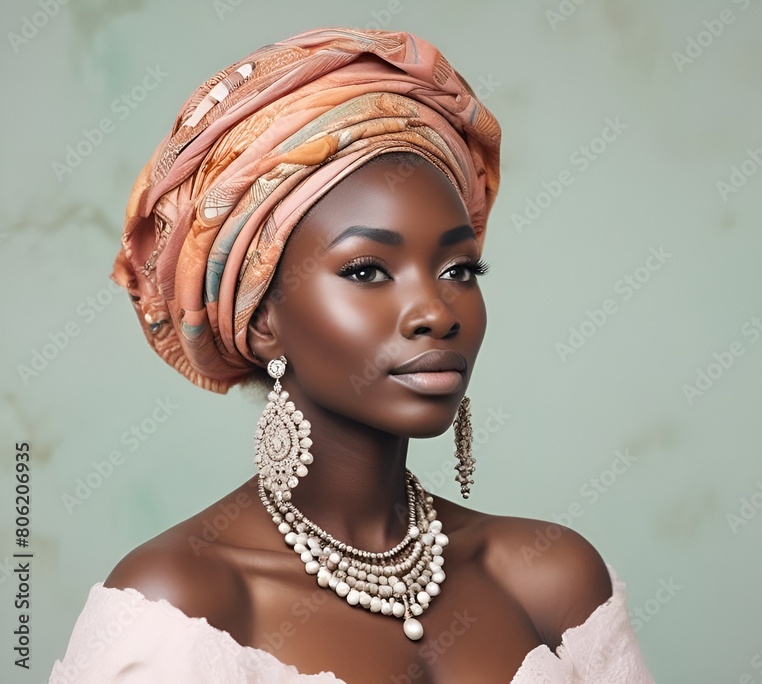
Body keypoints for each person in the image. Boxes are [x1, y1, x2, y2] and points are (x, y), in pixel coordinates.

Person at [50, 28, 654, 683]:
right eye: (367, 271)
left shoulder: (551, 576)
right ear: (261, 323)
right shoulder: (180, 607)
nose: (436, 312)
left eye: (459, 269)